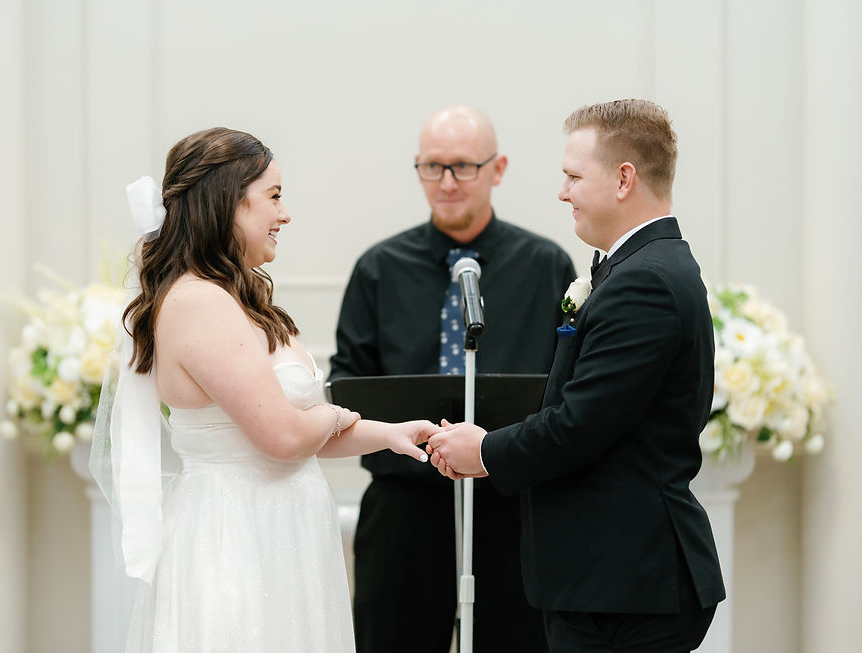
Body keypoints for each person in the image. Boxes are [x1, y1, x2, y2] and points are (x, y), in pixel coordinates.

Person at [91, 127, 437, 652]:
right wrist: (336, 416)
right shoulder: (198, 301)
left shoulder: (245, 299)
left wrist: (389, 434)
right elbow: (283, 437)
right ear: (229, 202)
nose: (285, 213)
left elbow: (303, 432)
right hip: (234, 537)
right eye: (274, 197)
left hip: (281, 533)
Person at [427, 99, 726, 652]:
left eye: (572, 177)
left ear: (623, 179)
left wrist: (485, 450)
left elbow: (582, 423)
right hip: (609, 578)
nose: (561, 193)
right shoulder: (637, 268)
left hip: (625, 582)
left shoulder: (646, 282)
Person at [330, 105, 575, 652]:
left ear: (498, 168)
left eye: (462, 166)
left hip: (510, 506)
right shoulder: (379, 268)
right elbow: (347, 385)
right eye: (431, 167)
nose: (446, 183)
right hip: (405, 507)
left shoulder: (546, 266)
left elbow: (565, 388)